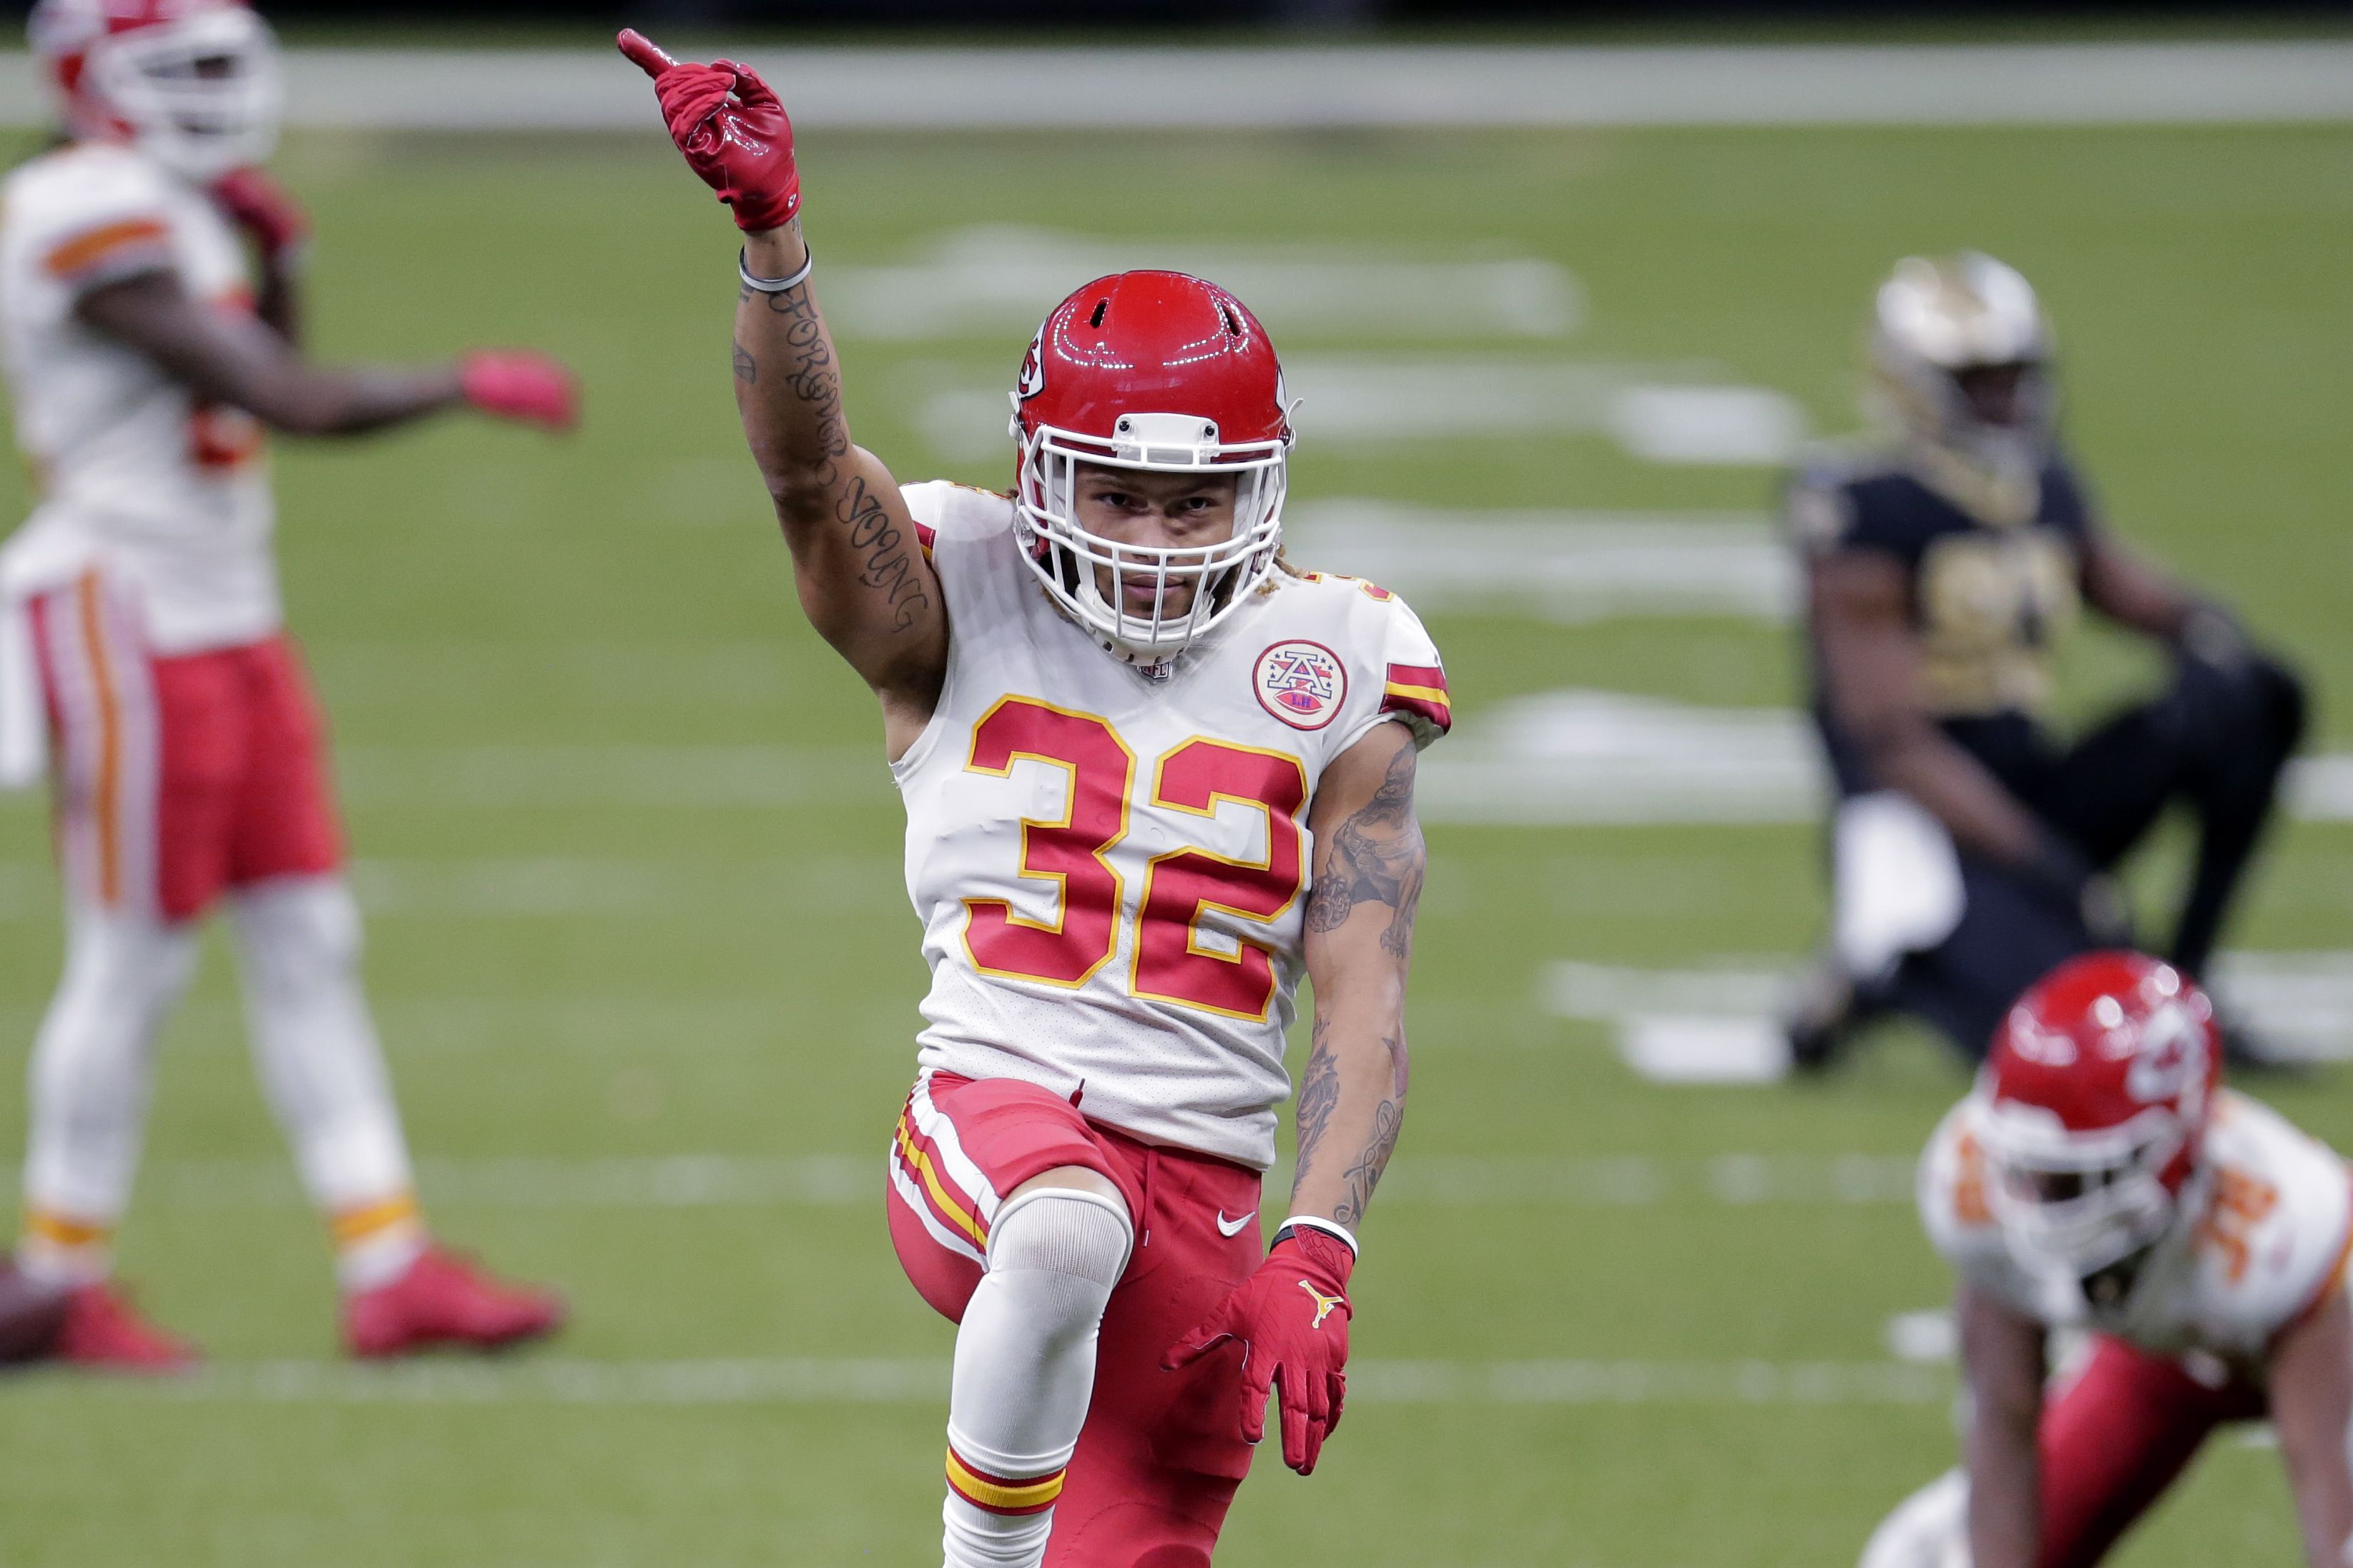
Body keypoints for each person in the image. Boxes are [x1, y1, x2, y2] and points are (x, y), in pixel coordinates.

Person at [623, 31, 1447, 1567]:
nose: (1147, 532)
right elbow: (806, 479)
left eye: (1190, 498)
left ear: (1259, 485)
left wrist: (1319, 1239)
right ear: (1038, 471)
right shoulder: (958, 582)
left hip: (1204, 1189)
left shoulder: (1342, 651)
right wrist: (771, 247)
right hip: (999, 1120)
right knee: (1064, 1226)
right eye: (1112, 490)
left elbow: (1359, 980)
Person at [0, 0, 574, 1369]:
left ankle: (389, 1263)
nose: (211, 92)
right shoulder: (78, 202)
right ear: (93, 83)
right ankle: (51, 1279)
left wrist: (280, 246)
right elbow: (282, 395)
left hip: (228, 616)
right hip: (126, 614)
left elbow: (267, 359)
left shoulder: (174, 205)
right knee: (134, 959)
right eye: (180, 69)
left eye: (219, 66)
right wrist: (463, 381)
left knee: (308, 936)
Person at [1784, 253, 2305, 1070]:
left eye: (2013, 374)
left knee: (2256, 695)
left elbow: (2134, 595)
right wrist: (2042, 863)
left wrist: (2207, 633)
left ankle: (2189, 982)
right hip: (1920, 824)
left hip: (2025, 785)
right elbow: (1891, 742)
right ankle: (1883, 968)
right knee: (2048, 1039)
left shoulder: (2039, 484)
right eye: (1979, 379)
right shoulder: (1862, 512)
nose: (2006, 397)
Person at [1859, 951, 2353, 1568]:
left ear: (2173, 1148)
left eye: (2075, 1177)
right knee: (1931, 1558)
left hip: (2319, 1339)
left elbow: (2327, 1493)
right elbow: (2004, 1424)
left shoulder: (2281, 1230)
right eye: (2035, 1172)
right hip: (2163, 1358)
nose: (2040, 1204)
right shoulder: (1980, 1187)